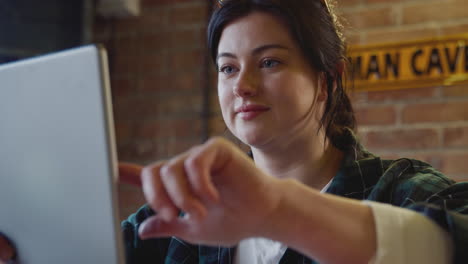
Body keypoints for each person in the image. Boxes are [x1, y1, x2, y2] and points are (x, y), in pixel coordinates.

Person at [2, 0, 468, 263]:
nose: (242, 86)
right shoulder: (175, 221)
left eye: (269, 62)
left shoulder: (405, 191)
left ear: (327, 80)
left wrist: (281, 210)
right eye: (227, 68)